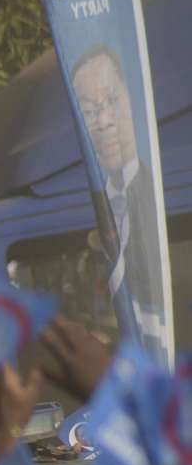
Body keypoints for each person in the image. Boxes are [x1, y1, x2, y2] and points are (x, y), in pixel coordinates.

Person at [71, 44, 163, 341]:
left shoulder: (161, 197)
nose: (104, 121)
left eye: (111, 101)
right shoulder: (91, 209)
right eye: (89, 111)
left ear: (131, 97)